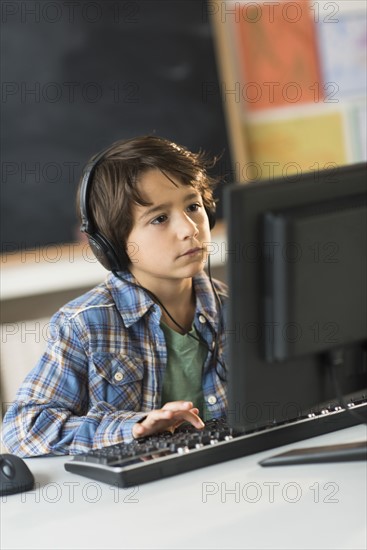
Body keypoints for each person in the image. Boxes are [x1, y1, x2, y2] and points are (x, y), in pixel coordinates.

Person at [2, 135, 227, 457]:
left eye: (193, 206)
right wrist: (131, 428)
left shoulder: (237, 306)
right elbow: (24, 427)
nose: (189, 228)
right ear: (112, 242)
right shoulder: (85, 325)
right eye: (160, 218)